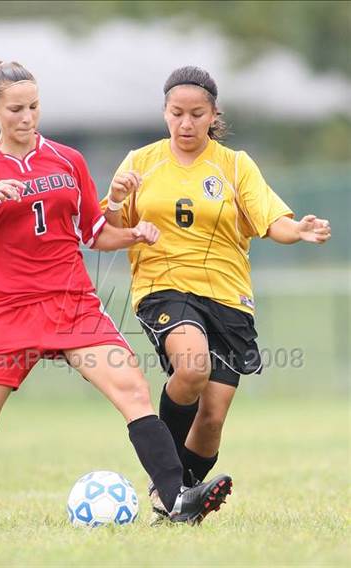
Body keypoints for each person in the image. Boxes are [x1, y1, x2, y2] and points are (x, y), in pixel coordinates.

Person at [0, 61, 233, 525]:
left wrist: (133, 232)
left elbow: (94, 231)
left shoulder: (68, 159)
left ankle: (176, 501)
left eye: (33, 106)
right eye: (15, 108)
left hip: (73, 305)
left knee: (133, 389)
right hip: (8, 314)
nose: (27, 117)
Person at [102, 65, 331, 524]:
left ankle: (180, 502)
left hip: (228, 298)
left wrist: (299, 231)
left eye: (196, 114)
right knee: (192, 366)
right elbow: (105, 229)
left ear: (213, 115)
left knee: (211, 418)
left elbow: (271, 221)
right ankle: (164, 483)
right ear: (164, 113)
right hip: (163, 287)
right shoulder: (139, 162)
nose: (185, 124)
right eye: (176, 113)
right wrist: (112, 197)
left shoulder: (234, 164)